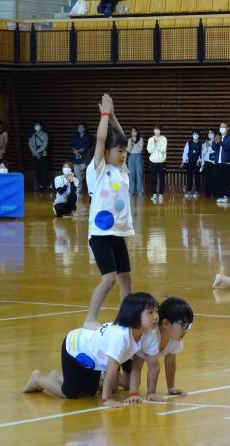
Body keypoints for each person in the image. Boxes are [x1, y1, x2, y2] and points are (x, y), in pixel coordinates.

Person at [23, 292, 159, 408]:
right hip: (76, 348)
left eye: (156, 311)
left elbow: (149, 366)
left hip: (94, 359)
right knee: (70, 393)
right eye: (150, 312)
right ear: (134, 315)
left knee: (88, 393)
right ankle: (38, 379)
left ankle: (57, 378)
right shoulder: (120, 336)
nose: (156, 316)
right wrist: (106, 399)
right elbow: (111, 368)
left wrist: (148, 393)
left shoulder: (149, 333)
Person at [83, 94, 133, 330]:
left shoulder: (122, 170)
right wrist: (104, 116)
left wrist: (113, 118)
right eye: (119, 151)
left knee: (126, 281)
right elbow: (102, 139)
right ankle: (90, 319)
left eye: (124, 152)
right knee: (109, 278)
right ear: (105, 153)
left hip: (117, 234)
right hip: (100, 235)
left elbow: (122, 139)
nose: (123, 154)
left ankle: (126, 320)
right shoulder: (99, 170)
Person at [122, 296, 194, 398]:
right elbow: (137, 366)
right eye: (183, 325)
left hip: (131, 360)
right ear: (165, 323)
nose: (186, 330)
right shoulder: (149, 335)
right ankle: (105, 375)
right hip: (122, 356)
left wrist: (171, 388)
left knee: (126, 383)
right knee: (120, 384)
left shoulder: (175, 337)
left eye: (188, 326)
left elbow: (170, 363)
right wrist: (135, 394)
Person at [213, 122, 230, 204]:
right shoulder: (217, 137)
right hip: (217, 162)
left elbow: (229, 147)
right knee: (218, 180)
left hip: (226, 163)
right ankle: (219, 196)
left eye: (223, 127)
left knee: (226, 180)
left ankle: (225, 196)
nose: (221, 129)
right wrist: (216, 142)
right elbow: (213, 148)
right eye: (220, 127)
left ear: (227, 128)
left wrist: (220, 142)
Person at [147, 125, 167, 204]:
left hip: (161, 161)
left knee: (162, 178)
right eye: (155, 129)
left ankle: (161, 194)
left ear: (160, 131)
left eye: (158, 130)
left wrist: (156, 144)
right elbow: (149, 150)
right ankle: (154, 194)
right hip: (152, 161)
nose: (156, 131)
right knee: (153, 178)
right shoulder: (150, 139)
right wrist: (154, 145)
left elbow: (163, 149)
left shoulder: (164, 139)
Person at [71, 123, 93, 195]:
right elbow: (72, 146)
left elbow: (88, 146)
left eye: (82, 127)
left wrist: (80, 150)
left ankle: (79, 188)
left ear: (85, 128)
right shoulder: (75, 137)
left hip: (85, 158)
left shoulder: (88, 137)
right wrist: (75, 151)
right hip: (75, 158)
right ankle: (79, 188)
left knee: (81, 174)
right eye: (79, 127)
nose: (80, 128)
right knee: (77, 173)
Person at [28, 121, 49, 191]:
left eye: (38, 125)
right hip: (35, 155)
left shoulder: (45, 134)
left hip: (43, 155)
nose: (37, 127)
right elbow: (30, 145)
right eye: (36, 125)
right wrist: (35, 153)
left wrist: (37, 152)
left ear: (41, 126)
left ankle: (46, 185)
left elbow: (45, 144)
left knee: (44, 170)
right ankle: (40, 185)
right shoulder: (32, 135)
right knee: (37, 170)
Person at [181, 130, 202, 198]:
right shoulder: (189, 142)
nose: (195, 135)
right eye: (194, 134)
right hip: (189, 161)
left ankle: (197, 190)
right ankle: (189, 190)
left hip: (197, 162)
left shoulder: (201, 144)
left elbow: (202, 153)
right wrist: (184, 160)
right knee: (189, 176)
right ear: (192, 135)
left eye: (196, 134)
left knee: (197, 176)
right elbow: (185, 152)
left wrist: (200, 160)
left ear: (199, 135)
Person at [201, 129, 219, 197]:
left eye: (211, 133)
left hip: (215, 163)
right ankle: (208, 193)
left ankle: (215, 193)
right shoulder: (206, 143)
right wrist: (202, 164)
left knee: (215, 178)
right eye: (209, 133)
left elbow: (216, 151)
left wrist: (210, 148)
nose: (209, 134)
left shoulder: (217, 142)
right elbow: (202, 153)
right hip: (208, 163)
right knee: (208, 179)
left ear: (214, 134)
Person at [126, 127, 144, 196]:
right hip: (131, 157)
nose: (133, 133)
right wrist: (131, 144)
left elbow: (140, 149)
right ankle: (131, 191)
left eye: (135, 131)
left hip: (138, 156)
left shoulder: (141, 139)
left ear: (137, 132)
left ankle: (140, 191)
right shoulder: (129, 140)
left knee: (139, 174)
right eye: (132, 131)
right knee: (131, 174)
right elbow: (128, 150)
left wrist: (134, 144)